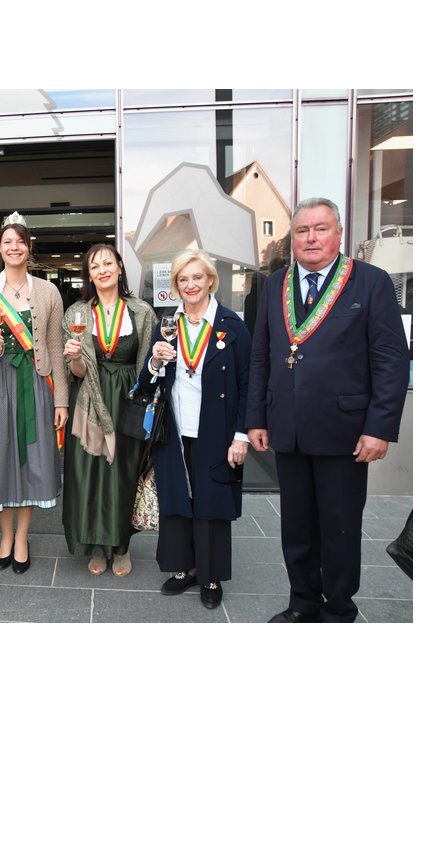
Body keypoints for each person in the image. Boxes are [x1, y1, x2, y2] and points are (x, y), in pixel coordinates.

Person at [247, 197, 409, 623]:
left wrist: (380, 428)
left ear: (339, 234)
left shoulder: (370, 282)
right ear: (292, 239)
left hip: (346, 432)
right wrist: (256, 419)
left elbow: (392, 360)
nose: (311, 238)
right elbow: (261, 356)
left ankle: (338, 611)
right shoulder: (274, 283)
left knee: (338, 531)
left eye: (321, 228)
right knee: (296, 531)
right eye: (302, 231)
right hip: (289, 430)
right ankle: (302, 604)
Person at [139, 249, 251, 609]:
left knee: (212, 500)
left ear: (210, 281)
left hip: (216, 431)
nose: (190, 285)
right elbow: (146, 382)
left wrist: (242, 435)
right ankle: (184, 567)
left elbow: (249, 384)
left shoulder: (231, 325)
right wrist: (155, 359)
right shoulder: (167, 325)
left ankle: (210, 574)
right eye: (183, 279)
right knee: (177, 499)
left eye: (197, 278)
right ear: (175, 285)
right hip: (174, 428)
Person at [0, 212, 68, 575]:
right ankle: (4, 535)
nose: (14, 247)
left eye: (20, 241)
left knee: (32, 464)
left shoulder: (49, 291)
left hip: (35, 386)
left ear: (28, 247)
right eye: (7, 241)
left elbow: (55, 347)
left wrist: (62, 400)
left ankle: (22, 537)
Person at [61, 244, 155, 577]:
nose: (102, 270)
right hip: (90, 397)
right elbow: (78, 372)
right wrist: (73, 356)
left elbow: (147, 364)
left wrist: (144, 402)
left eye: (107, 263)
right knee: (89, 472)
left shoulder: (142, 311)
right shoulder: (76, 313)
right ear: (88, 275)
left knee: (123, 474)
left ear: (118, 268)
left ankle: (121, 546)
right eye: (94, 266)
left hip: (127, 400)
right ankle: (95, 545)